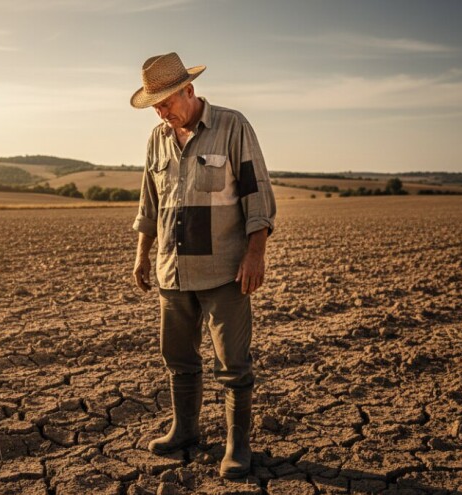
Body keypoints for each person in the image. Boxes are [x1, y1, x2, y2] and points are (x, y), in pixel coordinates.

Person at [130, 52, 276, 479]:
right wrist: (143, 252)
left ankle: (238, 445)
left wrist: (256, 254)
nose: (160, 111)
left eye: (166, 102)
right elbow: (150, 202)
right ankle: (184, 430)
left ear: (188, 90)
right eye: (154, 105)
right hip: (172, 272)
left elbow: (257, 194)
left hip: (224, 274)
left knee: (232, 364)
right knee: (177, 358)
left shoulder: (232, 126)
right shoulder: (158, 139)